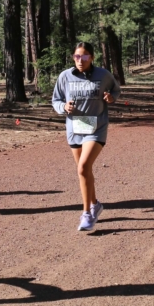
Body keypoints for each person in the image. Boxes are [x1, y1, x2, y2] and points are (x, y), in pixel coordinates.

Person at [51, 42, 120, 233]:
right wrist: (63, 107)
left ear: (92, 57)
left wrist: (111, 98)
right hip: (75, 128)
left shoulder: (103, 75)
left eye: (85, 56)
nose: (80, 60)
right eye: (77, 57)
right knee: (84, 171)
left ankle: (87, 214)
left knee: (83, 167)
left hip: (96, 126)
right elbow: (56, 100)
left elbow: (116, 89)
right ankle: (95, 204)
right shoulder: (65, 76)